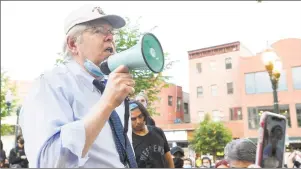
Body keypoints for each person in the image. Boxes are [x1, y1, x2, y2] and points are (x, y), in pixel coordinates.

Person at [19, 4, 138, 168]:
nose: (110, 37)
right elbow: (49, 162)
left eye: (111, 32)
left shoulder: (111, 86)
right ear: (73, 44)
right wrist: (107, 103)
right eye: (98, 30)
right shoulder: (50, 84)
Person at [130, 101, 174, 168]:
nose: (138, 121)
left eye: (140, 116)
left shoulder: (158, 131)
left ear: (144, 115)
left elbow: (168, 158)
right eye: (133, 119)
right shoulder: (128, 139)